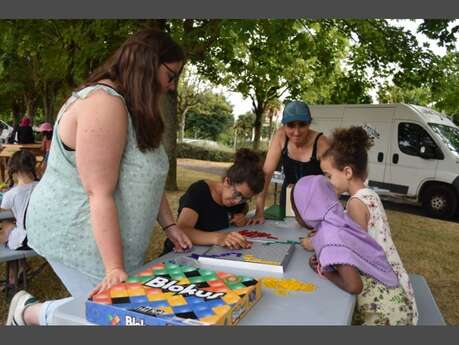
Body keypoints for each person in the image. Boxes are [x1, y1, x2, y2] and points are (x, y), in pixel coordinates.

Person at [6, 28, 192, 326]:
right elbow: (99, 192)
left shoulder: (138, 108)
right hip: (75, 234)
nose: (171, 86)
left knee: (111, 313)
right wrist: (114, 267)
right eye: (171, 75)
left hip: (106, 241)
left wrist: (169, 225)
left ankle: (27, 311)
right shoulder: (102, 102)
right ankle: (28, 314)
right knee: (113, 318)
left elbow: (149, 178)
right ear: (147, 63)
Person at [319, 126, 418, 324]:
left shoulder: (356, 204)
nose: (326, 181)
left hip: (386, 301)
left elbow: (352, 254)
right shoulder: (369, 194)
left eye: (328, 175)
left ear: (347, 172)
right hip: (398, 287)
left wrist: (317, 244)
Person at [291, 175, 416, 325]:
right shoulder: (339, 220)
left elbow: (354, 286)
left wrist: (327, 272)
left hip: (386, 315)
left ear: (306, 210)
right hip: (394, 299)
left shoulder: (329, 236)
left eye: (295, 209)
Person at [162, 149, 265, 254]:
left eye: (244, 198)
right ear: (227, 181)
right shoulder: (200, 192)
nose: (237, 201)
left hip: (208, 254)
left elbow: (244, 207)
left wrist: (242, 215)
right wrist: (219, 238)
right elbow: (182, 230)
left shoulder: (236, 201)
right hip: (177, 253)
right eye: (237, 194)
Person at [250, 100, 330, 225]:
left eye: (302, 125)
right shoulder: (281, 136)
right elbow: (266, 174)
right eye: (291, 125)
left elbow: (332, 182)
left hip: (315, 199)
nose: (296, 132)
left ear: (309, 124)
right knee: (286, 231)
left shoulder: (322, 143)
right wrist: (259, 211)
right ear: (284, 125)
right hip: (288, 195)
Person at [0, 150, 38, 287]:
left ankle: (12, 277)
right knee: (12, 227)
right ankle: (20, 268)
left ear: (14, 170)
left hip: (26, 240)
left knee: (7, 226)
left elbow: (3, 212)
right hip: (41, 237)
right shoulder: (42, 188)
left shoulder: (11, 195)